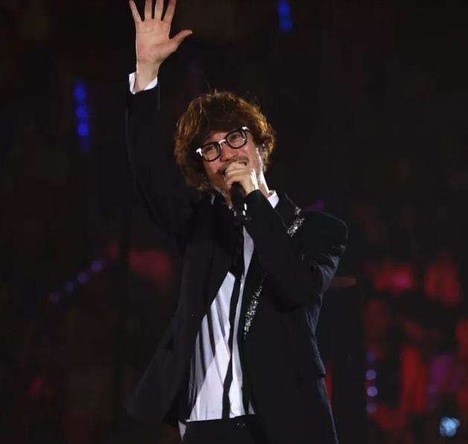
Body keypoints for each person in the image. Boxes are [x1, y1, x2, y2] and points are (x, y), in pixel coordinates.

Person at [124, 1, 348, 443]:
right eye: (210, 149)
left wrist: (255, 203)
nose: (225, 152)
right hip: (206, 425)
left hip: (281, 425)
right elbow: (148, 172)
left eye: (235, 138)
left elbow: (296, 286)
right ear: (203, 170)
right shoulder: (200, 226)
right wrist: (146, 71)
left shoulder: (321, 230)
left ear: (261, 145)